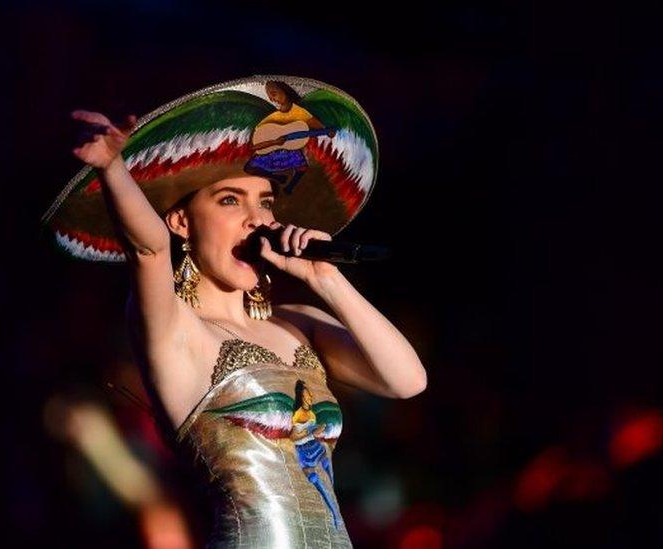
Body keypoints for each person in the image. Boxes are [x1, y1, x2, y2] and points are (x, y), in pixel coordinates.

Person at [46, 76, 427, 547]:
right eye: (230, 200)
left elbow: (407, 380)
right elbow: (148, 249)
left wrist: (326, 278)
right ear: (182, 221)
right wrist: (112, 168)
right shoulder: (177, 331)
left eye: (265, 203)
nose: (257, 219)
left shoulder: (299, 323)